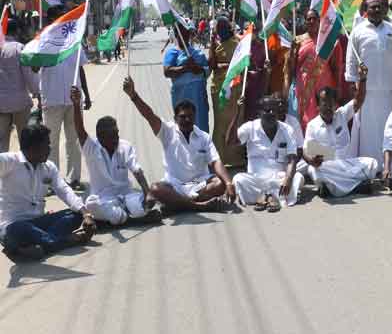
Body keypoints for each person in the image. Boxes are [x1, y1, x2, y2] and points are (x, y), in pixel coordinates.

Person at [123, 76, 235, 213]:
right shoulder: (167, 131)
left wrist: (229, 183)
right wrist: (133, 96)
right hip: (175, 185)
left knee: (219, 184)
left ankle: (180, 204)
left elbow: (215, 161)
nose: (187, 119)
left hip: (199, 184)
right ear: (175, 118)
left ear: (195, 117)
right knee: (155, 189)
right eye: (182, 116)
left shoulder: (203, 137)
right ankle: (199, 205)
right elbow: (149, 115)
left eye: (190, 116)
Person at [0, 123, 96, 261]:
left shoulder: (48, 167)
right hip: (13, 225)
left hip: (40, 222)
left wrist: (85, 213)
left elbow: (64, 190)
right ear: (34, 147)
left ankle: (33, 247)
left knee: (75, 214)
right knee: (18, 230)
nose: (50, 149)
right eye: (47, 145)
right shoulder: (9, 161)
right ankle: (66, 241)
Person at [70, 87, 161, 226]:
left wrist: (147, 192)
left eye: (117, 133)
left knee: (143, 203)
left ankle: (119, 219)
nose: (116, 138)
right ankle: (131, 220)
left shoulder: (125, 146)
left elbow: (137, 170)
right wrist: (76, 105)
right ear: (100, 138)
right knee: (91, 204)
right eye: (112, 136)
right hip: (104, 200)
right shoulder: (91, 147)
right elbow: (80, 130)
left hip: (127, 197)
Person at [346, 0, 392, 167]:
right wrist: (352, 83)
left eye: (379, 7)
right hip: (366, 93)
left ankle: (389, 164)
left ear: (384, 9)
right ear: (366, 10)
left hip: (389, 91)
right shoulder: (358, 31)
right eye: (372, 7)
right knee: (368, 132)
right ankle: (369, 164)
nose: (376, 10)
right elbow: (351, 60)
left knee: (389, 128)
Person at [303, 66, 378, 198]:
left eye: (330, 104)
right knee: (313, 170)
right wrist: (312, 161)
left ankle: (334, 188)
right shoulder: (312, 125)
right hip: (327, 167)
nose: (327, 107)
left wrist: (363, 79)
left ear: (335, 105)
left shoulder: (341, 115)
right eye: (324, 104)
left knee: (372, 163)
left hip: (346, 165)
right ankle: (355, 187)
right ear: (318, 106)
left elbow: (359, 100)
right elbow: (306, 152)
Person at [39, 6, 92, 189]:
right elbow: (34, 68)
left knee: (75, 140)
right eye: (59, 17)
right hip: (51, 100)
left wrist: (87, 94)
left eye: (65, 17)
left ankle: (74, 179)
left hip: (74, 100)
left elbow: (81, 69)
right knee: (50, 143)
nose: (63, 20)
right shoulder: (43, 40)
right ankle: (51, 183)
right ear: (51, 20)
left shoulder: (74, 40)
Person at [227, 95, 303, 212]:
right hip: (256, 179)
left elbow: (292, 158)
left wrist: (288, 178)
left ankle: (264, 196)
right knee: (238, 179)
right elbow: (230, 142)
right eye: (267, 110)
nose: (271, 113)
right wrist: (237, 114)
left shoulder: (287, 129)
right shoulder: (250, 127)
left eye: (274, 110)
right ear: (259, 113)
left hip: (279, 178)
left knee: (298, 177)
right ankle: (273, 196)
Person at [290, 9, 345, 131]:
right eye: (308, 19)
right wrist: (291, 54)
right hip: (305, 86)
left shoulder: (328, 40)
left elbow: (336, 66)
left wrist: (338, 86)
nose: (312, 21)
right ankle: (308, 143)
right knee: (306, 117)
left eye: (314, 18)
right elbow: (291, 67)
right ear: (305, 22)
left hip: (325, 84)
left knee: (325, 112)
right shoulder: (298, 41)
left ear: (320, 21)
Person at [208, 16, 246, 167]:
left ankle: (236, 158)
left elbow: (244, 63)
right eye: (218, 28)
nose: (221, 30)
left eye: (223, 27)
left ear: (229, 28)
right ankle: (219, 158)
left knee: (236, 120)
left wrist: (229, 66)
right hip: (220, 89)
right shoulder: (216, 45)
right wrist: (211, 45)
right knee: (220, 123)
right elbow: (211, 65)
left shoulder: (239, 43)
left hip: (236, 87)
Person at [0, 15, 39, 152]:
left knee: (2, 144)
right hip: (20, 103)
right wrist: (36, 91)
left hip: (1, 105)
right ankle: (24, 170)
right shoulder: (20, 48)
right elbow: (28, 74)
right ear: (17, 32)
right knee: (25, 140)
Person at [163, 23, 210, 133]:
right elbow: (167, 71)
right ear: (176, 35)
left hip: (199, 99)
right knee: (184, 130)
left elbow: (207, 71)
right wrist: (186, 68)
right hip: (182, 98)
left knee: (201, 131)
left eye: (186, 32)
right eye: (181, 33)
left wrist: (198, 69)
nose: (184, 35)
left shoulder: (197, 53)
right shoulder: (172, 53)